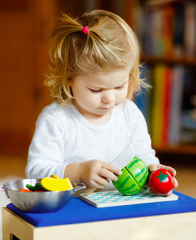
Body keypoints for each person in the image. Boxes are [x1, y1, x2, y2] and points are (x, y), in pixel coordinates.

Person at [26, 9, 178, 195]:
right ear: (69, 79)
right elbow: (35, 172)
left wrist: (154, 175)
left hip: (119, 202)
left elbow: (143, 156)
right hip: (72, 207)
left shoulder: (129, 113)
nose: (110, 98)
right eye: (96, 90)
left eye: (119, 86)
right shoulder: (56, 119)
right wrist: (78, 172)